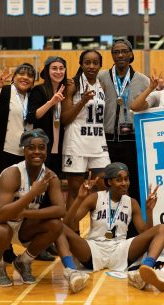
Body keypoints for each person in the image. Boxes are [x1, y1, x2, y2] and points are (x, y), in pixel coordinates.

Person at [56, 162, 164, 291]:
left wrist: (149, 213)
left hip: (120, 249)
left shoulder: (132, 202)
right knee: (57, 226)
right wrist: (79, 199)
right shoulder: (95, 198)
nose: (124, 183)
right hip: (94, 249)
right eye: (119, 180)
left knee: (163, 228)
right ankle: (72, 272)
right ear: (109, 182)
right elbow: (68, 225)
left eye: (126, 179)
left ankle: (143, 272)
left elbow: (145, 232)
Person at [0, 129, 65, 287]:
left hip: (21, 221)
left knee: (55, 225)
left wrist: (25, 212)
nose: (37, 152)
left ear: (47, 150)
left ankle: (23, 261)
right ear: (23, 150)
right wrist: (33, 193)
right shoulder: (12, 173)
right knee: (1, 230)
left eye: (41, 147)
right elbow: (1, 215)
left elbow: (60, 210)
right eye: (31, 147)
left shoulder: (50, 176)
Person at [0, 63, 37, 263]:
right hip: (0, 154)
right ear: (14, 77)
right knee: (0, 203)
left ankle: (13, 243)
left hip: (22, 156)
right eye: (21, 74)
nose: (25, 77)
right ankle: (2, 248)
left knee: (17, 201)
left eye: (29, 75)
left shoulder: (32, 98)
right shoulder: (4, 91)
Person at [98, 40, 149, 213]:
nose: (120, 55)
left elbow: (150, 107)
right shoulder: (101, 78)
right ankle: (108, 221)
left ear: (130, 54)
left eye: (124, 51)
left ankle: (134, 228)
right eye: (116, 52)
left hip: (132, 141)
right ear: (112, 55)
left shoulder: (143, 80)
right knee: (108, 183)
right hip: (106, 139)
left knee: (131, 183)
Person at [61, 50, 110, 217]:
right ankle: (71, 231)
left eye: (95, 63)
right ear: (81, 64)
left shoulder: (101, 86)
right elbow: (65, 119)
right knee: (75, 191)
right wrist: (82, 101)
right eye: (87, 62)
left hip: (97, 142)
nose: (91, 66)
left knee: (105, 185)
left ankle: (101, 228)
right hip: (76, 142)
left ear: (100, 65)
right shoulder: (72, 85)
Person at [27, 56, 67, 177]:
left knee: (56, 182)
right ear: (47, 71)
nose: (58, 72)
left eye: (61, 68)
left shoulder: (67, 90)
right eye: (54, 68)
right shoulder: (39, 90)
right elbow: (32, 117)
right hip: (43, 146)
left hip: (62, 146)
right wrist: (51, 102)